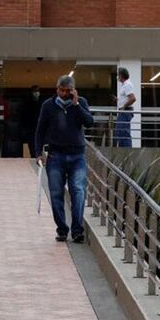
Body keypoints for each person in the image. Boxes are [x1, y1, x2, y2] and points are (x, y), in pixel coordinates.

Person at [35, 75, 94, 243]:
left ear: (74, 90)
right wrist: (38, 152)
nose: (65, 94)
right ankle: (62, 229)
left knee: (78, 191)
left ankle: (77, 230)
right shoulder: (48, 106)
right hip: (55, 155)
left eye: (69, 91)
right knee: (56, 193)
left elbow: (89, 122)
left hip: (77, 156)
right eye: (62, 90)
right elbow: (40, 130)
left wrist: (76, 105)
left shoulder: (80, 102)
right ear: (57, 89)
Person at [114, 67, 136, 148]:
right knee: (120, 133)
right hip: (123, 112)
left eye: (118, 75)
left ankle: (126, 151)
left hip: (125, 112)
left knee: (124, 133)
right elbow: (127, 98)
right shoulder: (124, 85)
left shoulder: (127, 85)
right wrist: (118, 100)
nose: (117, 77)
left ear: (121, 75)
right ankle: (122, 150)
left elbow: (133, 98)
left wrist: (124, 106)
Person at [19, 85, 44, 157]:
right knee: (32, 146)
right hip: (30, 128)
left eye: (38, 91)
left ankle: (39, 158)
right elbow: (23, 116)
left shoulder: (42, 103)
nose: (36, 93)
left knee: (40, 146)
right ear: (31, 92)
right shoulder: (27, 103)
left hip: (40, 128)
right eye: (35, 91)